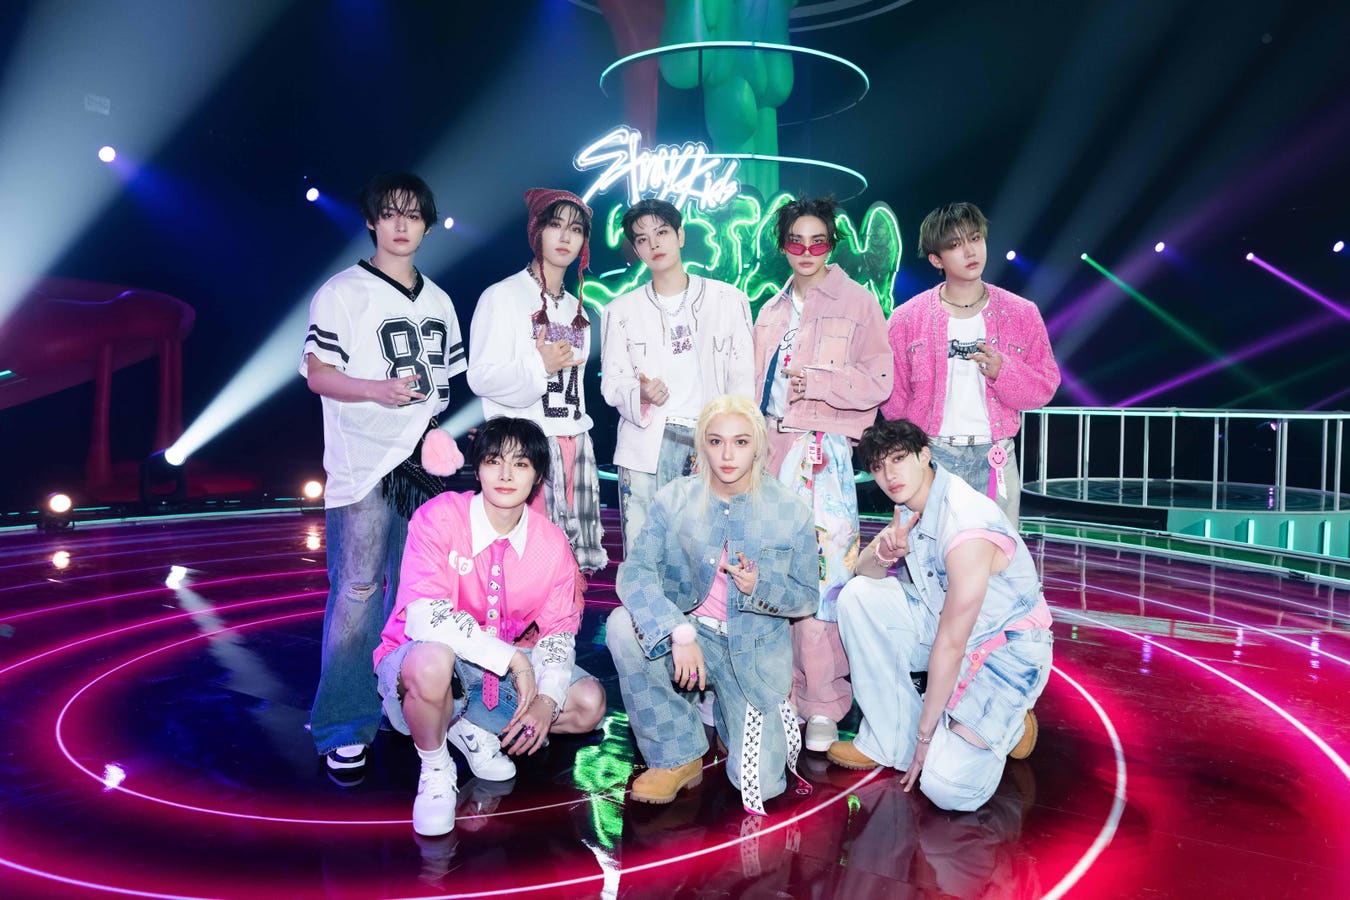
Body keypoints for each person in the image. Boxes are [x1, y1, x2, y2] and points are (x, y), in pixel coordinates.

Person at [301, 171, 466, 777]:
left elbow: (443, 387)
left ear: (427, 224)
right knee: (359, 591)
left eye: (413, 214)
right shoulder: (342, 291)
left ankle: (406, 703)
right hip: (364, 465)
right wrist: (376, 389)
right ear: (372, 221)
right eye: (390, 213)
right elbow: (318, 374)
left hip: (419, 466)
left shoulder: (440, 300)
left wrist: (435, 434)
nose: (401, 224)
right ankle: (343, 723)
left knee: (418, 592)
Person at [373, 416, 607, 836]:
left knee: (587, 703)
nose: (505, 475)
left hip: (493, 675)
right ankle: (436, 767)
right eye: (494, 461)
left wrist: (546, 700)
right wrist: (513, 658)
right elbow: (423, 615)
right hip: (425, 660)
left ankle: (469, 725)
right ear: (478, 467)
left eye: (520, 464)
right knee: (433, 660)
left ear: (537, 476)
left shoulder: (551, 544)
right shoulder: (440, 517)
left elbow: (558, 630)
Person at [606, 395, 819, 816]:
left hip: (751, 655)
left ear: (758, 446)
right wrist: (678, 631)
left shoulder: (791, 511)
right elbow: (635, 573)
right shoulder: (674, 498)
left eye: (740, 442)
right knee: (621, 626)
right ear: (702, 444)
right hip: (688, 637)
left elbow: (807, 596)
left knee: (762, 786)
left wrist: (760, 585)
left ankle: (728, 713)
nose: (727, 455)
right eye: (716, 441)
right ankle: (678, 753)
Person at [827, 418, 1053, 812]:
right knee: (858, 597)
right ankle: (889, 742)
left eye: (898, 459)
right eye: (878, 466)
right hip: (947, 627)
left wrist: (925, 739)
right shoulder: (911, 506)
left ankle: (1010, 724)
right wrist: (885, 552)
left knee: (945, 788)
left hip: (1003, 652)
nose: (889, 475)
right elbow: (863, 572)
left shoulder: (965, 522)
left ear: (924, 455)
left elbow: (952, 643)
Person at [751, 196, 892, 753]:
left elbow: (879, 379)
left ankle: (824, 703)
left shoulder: (858, 302)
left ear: (832, 244)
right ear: (782, 245)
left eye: (819, 241)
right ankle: (781, 691)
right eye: (796, 241)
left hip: (822, 454)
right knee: (772, 574)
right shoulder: (770, 310)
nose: (807, 251)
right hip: (769, 451)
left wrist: (821, 382)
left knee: (824, 579)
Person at [882, 202, 1060, 527]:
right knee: (929, 551)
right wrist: (914, 447)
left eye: (975, 238)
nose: (970, 251)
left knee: (997, 552)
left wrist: (1003, 371)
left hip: (996, 457)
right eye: (954, 245)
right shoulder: (907, 318)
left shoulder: (1021, 313)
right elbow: (893, 396)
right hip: (932, 455)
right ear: (936, 259)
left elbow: (1045, 386)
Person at [467, 189, 607, 583]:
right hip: (526, 449)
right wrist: (538, 366)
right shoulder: (503, 296)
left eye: (575, 229)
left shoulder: (578, 308)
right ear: (536, 231)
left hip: (574, 446)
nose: (565, 237)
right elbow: (480, 376)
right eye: (555, 225)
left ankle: (564, 626)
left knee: (572, 570)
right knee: (523, 568)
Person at [601, 197, 755, 554]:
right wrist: (639, 393)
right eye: (642, 239)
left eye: (662, 232)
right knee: (644, 552)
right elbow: (612, 383)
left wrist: (738, 443)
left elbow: (743, 382)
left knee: (707, 553)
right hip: (646, 444)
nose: (654, 244)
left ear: (680, 235)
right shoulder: (620, 311)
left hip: (710, 442)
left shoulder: (728, 300)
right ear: (636, 249)